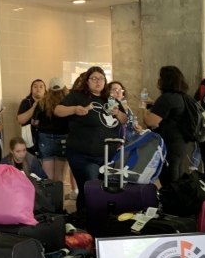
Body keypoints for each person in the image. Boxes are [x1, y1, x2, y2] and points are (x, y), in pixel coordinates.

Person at [55, 66, 126, 211]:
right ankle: (85, 220)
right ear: (87, 81)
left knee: (104, 189)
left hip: (107, 155)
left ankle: (101, 219)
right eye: (94, 79)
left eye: (101, 79)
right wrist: (74, 109)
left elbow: (124, 120)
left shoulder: (110, 99)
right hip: (83, 153)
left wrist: (118, 113)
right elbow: (58, 110)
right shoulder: (78, 96)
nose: (98, 82)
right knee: (90, 188)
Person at [143, 66, 191, 188]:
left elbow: (151, 122)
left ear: (166, 80)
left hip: (169, 146)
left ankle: (172, 204)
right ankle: (178, 203)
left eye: (160, 78)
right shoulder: (182, 97)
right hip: (181, 144)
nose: (158, 81)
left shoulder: (166, 98)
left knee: (169, 180)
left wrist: (144, 110)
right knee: (178, 175)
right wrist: (154, 104)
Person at [36, 78, 69, 182]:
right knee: (60, 177)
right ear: (64, 89)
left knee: (47, 177)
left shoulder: (42, 103)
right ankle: (59, 198)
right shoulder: (68, 103)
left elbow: (35, 122)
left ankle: (49, 197)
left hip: (45, 137)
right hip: (63, 137)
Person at [17, 79, 45, 155]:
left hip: (45, 137)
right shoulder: (26, 102)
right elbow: (20, 120)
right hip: (29, 137)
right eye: (35, 87)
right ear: (31, 90)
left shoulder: (48, 102)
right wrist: (34, 107)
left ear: (45, 90)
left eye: (41, 87)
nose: (38, 89)